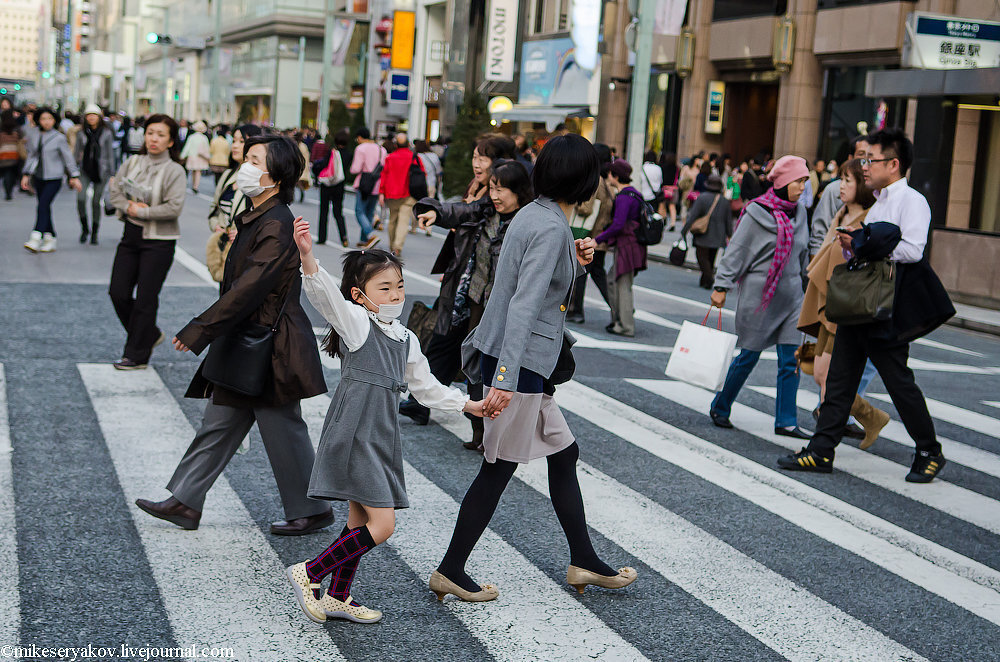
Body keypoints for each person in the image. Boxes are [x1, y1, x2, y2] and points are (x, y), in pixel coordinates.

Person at [430, 134, 636, 603]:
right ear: (583, 179)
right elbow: (524, 305)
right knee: (497, 469)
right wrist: (502, 380)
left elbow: (537, 289)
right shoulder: (549, 227)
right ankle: (450, 568)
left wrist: (575, 262)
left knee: (564, 455)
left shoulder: (538, 216)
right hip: (518, 366)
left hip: (524, 364)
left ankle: (583, 559)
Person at [135, 133, 334, 535]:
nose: (246, 167)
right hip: (250, 340)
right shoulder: (258, 216)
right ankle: (186, 501)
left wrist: (201, 329)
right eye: (248, 159)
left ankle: (312, 510)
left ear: (275, 177)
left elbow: (250, 287)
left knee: (282, 424)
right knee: (221, 420)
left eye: (256, 161)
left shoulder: (276, 223)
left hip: (269, 344)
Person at [286, 240, 488, 624]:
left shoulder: (405, 337)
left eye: (399, 285)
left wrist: (468, 405)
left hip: (380, 433)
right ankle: (310, 573)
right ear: (360, 295)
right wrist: (308, 258)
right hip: (355, 431)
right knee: (383, 525)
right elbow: (327, 296)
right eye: (385, 288)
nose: (395, 294)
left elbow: (426, 387)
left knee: (359, 522)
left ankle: (338, 595)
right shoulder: (358, 323)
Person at [779, 128, 954, 482]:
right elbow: (867, 247)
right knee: (840, 382)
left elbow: (913, 250)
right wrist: (853, 244)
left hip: (887, 306)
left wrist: (867, 243)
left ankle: (929, 450)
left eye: (870, 160)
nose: (865, 166)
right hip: (861, 303)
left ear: (893, 163)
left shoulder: (912, 201)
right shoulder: (880, 201)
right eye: (863, 159)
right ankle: (820, 451)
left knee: (899, 383)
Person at [401, 160, 534, 447]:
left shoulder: (527, 224)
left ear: (520, 191)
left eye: (502, 190)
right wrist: (434, 212)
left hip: (501, 310)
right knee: (459, 355)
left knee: (486, 368)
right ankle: (468, 424)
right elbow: (457, 211)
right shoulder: (485, 212)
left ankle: (488, 431)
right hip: (471, 301)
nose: (495, 196)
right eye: (493, 188)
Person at [708, 155, 811, 438]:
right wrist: (721, 286)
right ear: (782, 182)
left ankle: (786, 421)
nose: (803, 187)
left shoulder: (800, 213)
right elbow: (737, 250)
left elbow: (803, 252)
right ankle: (721, 405)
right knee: (748, 356)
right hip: (759, 296)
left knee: (791, 359)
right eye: (798, 181)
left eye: (805, 181)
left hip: (791, 295)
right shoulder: (756, 212)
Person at [796, 158, 890, 449]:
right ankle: (869, 417)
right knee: (820, 375)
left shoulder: (870, 219)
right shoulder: (840, 213)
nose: (841, 186)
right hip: (829, 302)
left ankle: (826, 439)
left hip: (847, 305)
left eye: (848, 180)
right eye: (841, 179)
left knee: (828, 376)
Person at [106, 114, 187, 369]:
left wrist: (143, 211)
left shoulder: (175, 170)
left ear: (171, 141)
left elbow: (174, 208)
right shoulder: (132, 161)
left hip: (159, 242)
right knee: (117, 292)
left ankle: (137, 354)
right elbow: (115, 190)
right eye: (150, 133)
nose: (154, 139)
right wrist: (129, 207)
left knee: (145, 298)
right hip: (130, 236)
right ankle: (149, 335)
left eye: (161, 135)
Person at [20, 107, 82, 253]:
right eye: (43, 119)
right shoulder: (34, 135)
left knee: (43, 205)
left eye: (50, 119)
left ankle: (36, 236)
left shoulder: (59, 137)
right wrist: (26, 174)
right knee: (44, 206)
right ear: (38, 120)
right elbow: (31, 155)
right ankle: (50, 238)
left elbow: (68, 158)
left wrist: (74, 176)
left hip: (54, 177)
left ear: (54, 120)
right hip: (38, 176)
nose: (46, 122)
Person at [205, 124, 262, 282]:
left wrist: (244, 234)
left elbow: (264, 217)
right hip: (224, 249)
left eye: (242, 141)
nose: (235, 145)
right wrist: (216, 225)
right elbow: (214, 208)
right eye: (234, 140)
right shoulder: (228, 175)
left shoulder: (260, 179)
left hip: (245, 254)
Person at [566, 143, 615, 323]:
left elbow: (586, 208)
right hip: (599, 236)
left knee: (581, 275)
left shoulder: (594, 180)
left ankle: (576, 311)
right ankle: (618, 308)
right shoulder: (606, 182)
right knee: (597, 274)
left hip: (590, 237)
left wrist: (573, 201)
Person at [597, 159, 647, 338]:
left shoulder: (624, 197)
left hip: (627, 246)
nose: (608, 176)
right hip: (634, 245)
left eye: (610, 173)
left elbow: (618, 225)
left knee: (622, 285)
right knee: (613, 280)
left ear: (616, 176)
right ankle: (619, 320)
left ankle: (626, 325)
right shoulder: (635, 194)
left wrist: (598, 239)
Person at [73, 104, 114, 245]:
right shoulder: (81, 133)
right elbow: (76, 152)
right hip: (84, 170)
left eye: (94, 115)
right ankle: (85, 228)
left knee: (96, 202)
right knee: (81, 198)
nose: (91, 117)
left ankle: (95, 232)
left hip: (101, 171)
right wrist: (72, 173)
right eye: (88, 115)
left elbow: (110, 154)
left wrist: (113, 174)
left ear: (99, 117)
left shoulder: (106, 133)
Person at [682, 174, 732, 289]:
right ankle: (704, 280)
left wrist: (684, 230)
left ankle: (709, 279)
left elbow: (693, 215)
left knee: (702, 258)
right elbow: (728, 220)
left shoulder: (702, 198)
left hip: (703, 233)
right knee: (711, 258)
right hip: (719, 234)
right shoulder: (724, 201)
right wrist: (729, 235)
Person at [378, 132, 423, 256]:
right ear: (408, 143)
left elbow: (384, 175)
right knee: (403, 221)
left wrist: (381, 192)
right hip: (409, 193)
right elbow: (422, 173)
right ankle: (397, 247)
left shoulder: (390, 158)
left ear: (396, 144)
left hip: (392, 193)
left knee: (392, 219)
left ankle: (392, 244)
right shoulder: (414, 157)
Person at [349, 127, 384, 249]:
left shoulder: (360, 148)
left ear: (359, 137)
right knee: (369, 212)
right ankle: (364, 240)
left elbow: (355, 168)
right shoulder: (381, 149)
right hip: (377, 184)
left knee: (359, 211)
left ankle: (370, 234)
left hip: (364, 183)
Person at [314, 129, 351, 247]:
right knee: (338, 212)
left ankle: (322, 237)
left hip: (327, 185)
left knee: (324, 211)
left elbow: (324, 165)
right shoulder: (349, 154)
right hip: (339, 186)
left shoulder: (332, 153)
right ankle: (344, 237)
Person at [179, 120, 210, 193]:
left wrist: (182, 155)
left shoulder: (191, 137)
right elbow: (207, 148)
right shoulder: (204, 138)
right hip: (200, 157)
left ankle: (193, 184)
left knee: (193, 171)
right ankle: (195, 186)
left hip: (192, 156)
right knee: (198, 171)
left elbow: (187, 147)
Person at [0, 110, 22, 200]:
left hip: (3, 154)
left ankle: (8, 191)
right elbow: (21, 140)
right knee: (11, 173)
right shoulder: (16, 128)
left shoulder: (1, 129)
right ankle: (9, 191)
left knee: (6, 173)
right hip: (14, 154)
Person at [659, 151, 680, 231]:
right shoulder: (677, 168)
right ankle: (673, 223)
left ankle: (663, 220)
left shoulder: (664, 167)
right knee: (672, 206)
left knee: (663, 205)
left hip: (665, 189)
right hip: (674, 189)